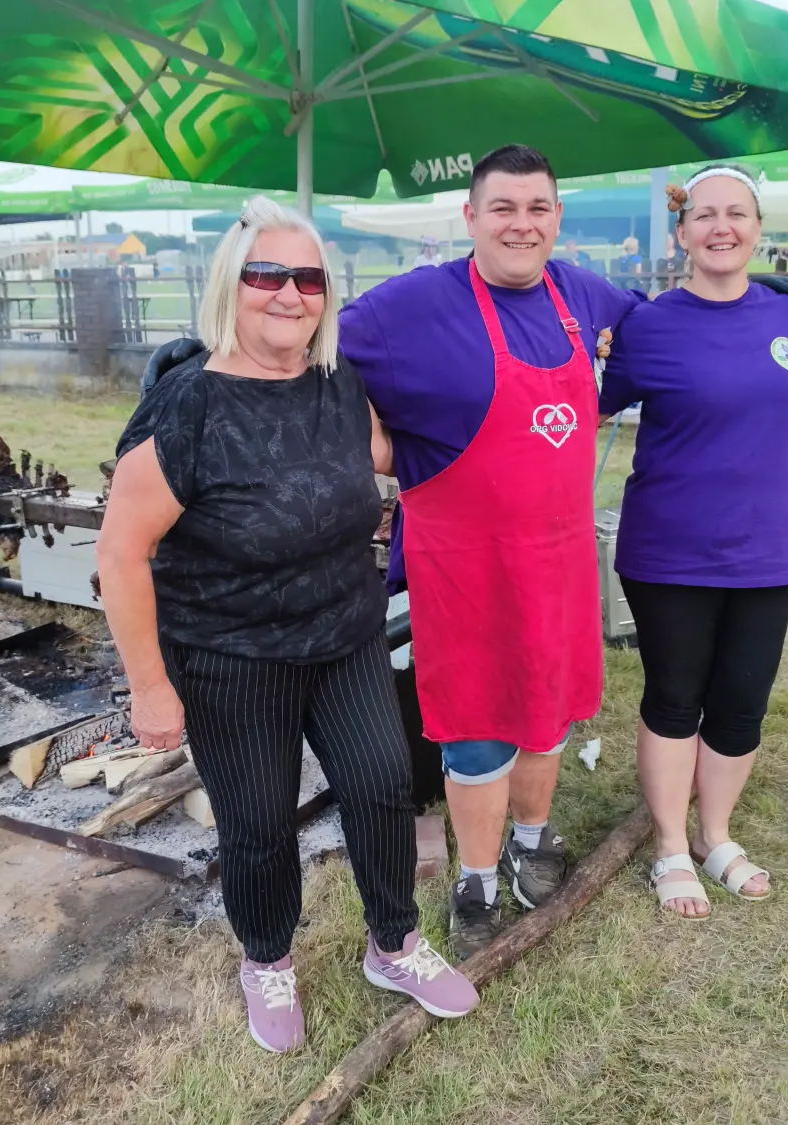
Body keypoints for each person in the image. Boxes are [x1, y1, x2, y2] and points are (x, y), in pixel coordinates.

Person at [100, 197, 478, 1054]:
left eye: (307, 278)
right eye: (267, 274)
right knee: (261, 822)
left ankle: (395, 941)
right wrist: (151, 686)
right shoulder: (188, 406)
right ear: (232, 286)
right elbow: (121, 554)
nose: (288, 293)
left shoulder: (341, 386)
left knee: (383, 785)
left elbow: (390, 454)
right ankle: (267, 955)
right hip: (230, 656)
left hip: (343, 637)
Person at [339, 145, 645, 960]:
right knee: (476, 724)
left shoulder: (583, 294)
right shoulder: (409, 306)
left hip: (560, 555)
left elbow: (651, 337)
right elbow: (320, 358)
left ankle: (532, 841)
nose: (522, 223)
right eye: (502, 208)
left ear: (556, 219)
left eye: (538, 208)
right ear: (470, 218)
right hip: (463, 562)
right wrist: (381, 447)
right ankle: (476, 875)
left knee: (547, 709)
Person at [598, 167, 788, 917]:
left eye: (738, 215)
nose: (722, 228)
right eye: (706, 215)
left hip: (765, 550)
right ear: (683, 232)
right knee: (675, 697)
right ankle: (668, 845)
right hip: (668, 551)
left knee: (743, 702)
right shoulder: (649, 323)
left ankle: (715, 833)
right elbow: (582, 401)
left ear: (757, 228)